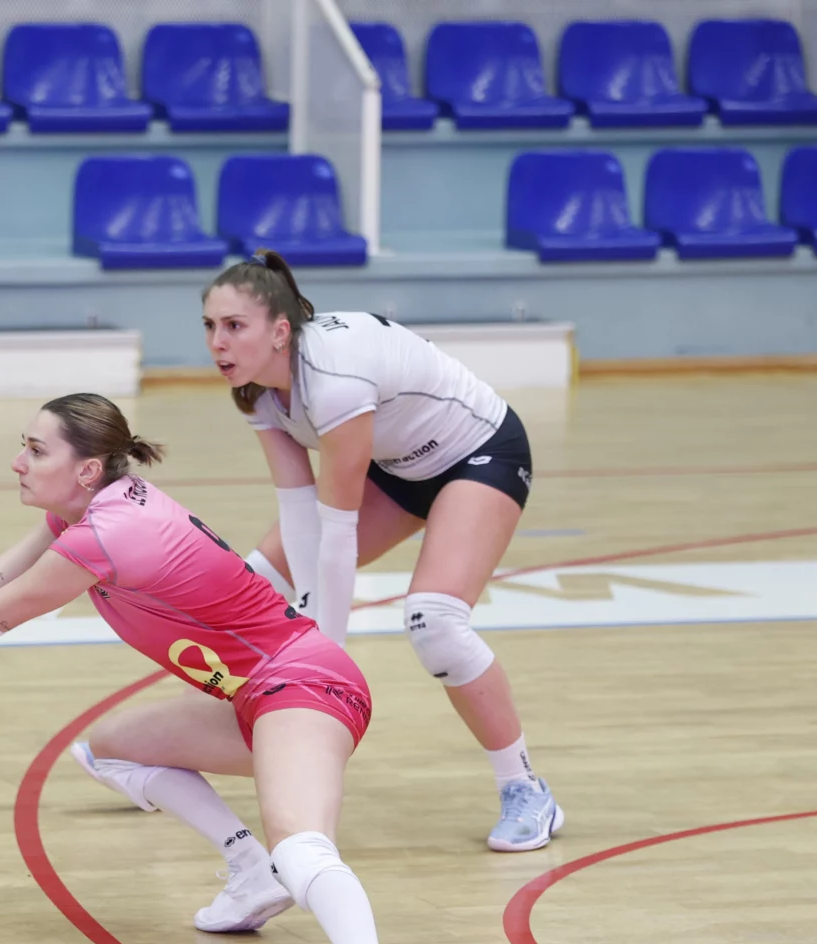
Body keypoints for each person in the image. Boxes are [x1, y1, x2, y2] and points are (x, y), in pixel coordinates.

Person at [0, 392, 415, 944]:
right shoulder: (86, 512)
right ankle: (249, 871)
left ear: (86, 468)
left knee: (301, 841)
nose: (18, 462)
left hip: (307, 686)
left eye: (35, 449)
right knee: (111, 747)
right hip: (253, 695)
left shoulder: (108, 533)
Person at [198, 250, 562, 852]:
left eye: (234, 326)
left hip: (480, 455)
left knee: (435, 622)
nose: (218, 342)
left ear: (280, 331)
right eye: (210, 326)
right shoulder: (258, 390)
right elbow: (299, 517)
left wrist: (324, 671)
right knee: (256, 581)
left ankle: (525, 789)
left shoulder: (334, 378)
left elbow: (335, 533)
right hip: (398, 466)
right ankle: (181, 743)